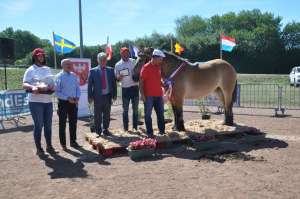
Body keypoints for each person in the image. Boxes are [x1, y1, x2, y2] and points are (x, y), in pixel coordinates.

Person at [22, 48, 57, 155]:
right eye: (39, 55)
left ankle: (49, 146)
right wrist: (33, 87)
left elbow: (50, 82)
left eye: (42, 55)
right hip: (35, 102)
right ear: (35, 57)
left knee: (48, 125)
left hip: (48, 101)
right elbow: (24, 84)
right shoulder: (30, 69)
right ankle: (38, 148)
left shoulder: (47, 69)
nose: (41, 57)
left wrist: (53, 86)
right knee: (38, 125)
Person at [88, 52, 117, 136]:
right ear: (98, 60)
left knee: (107, 114)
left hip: (108, 96)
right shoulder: (92, 71)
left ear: (106, 60)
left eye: (104, 59)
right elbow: (90, 85)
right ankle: (98, 131)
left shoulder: (111, 70)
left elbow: (113, 83)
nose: (103, 61)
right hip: (97, 97)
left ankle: (105, 129)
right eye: (101, 59)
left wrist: (114, 95)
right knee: (97, 115)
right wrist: (90, 97)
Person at [55, 59, 81, 150]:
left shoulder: (74, 75)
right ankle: (63, 144)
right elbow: (57, 92)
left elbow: (78, 88)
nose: (70, 66)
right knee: (62, 124)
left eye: (70, 64)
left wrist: (77, 97)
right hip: (63, 103)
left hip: (73, 102)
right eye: (67, 64)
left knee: (73, 123)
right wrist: (67, 98)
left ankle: (73, 142)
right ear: (62, 66)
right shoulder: (59, 76)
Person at [140, 49, 166, 138]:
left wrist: (164, 84)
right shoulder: (146, 67)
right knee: (148, 115)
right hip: (149, 96)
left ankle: (162, 132)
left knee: (161, 114)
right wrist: (142, 95)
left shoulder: (158, 67)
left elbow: (159, 80)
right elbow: (141, 82)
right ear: (155, 58)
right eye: (161, 59)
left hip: (159, 95)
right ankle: (150, 133)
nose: (161, 61)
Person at [114, 47, 139, 132]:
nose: (126, 55)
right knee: (125, 110)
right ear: (121, 54)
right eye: (124, 53)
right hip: (125, 89)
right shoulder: (118, 65)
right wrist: (119, 77)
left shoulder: (133, 61)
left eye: (127, 53)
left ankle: (135, 128)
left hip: (134, 87)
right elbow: (116, 78)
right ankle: (126, 129)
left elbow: (139, 71)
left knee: (135, 110)